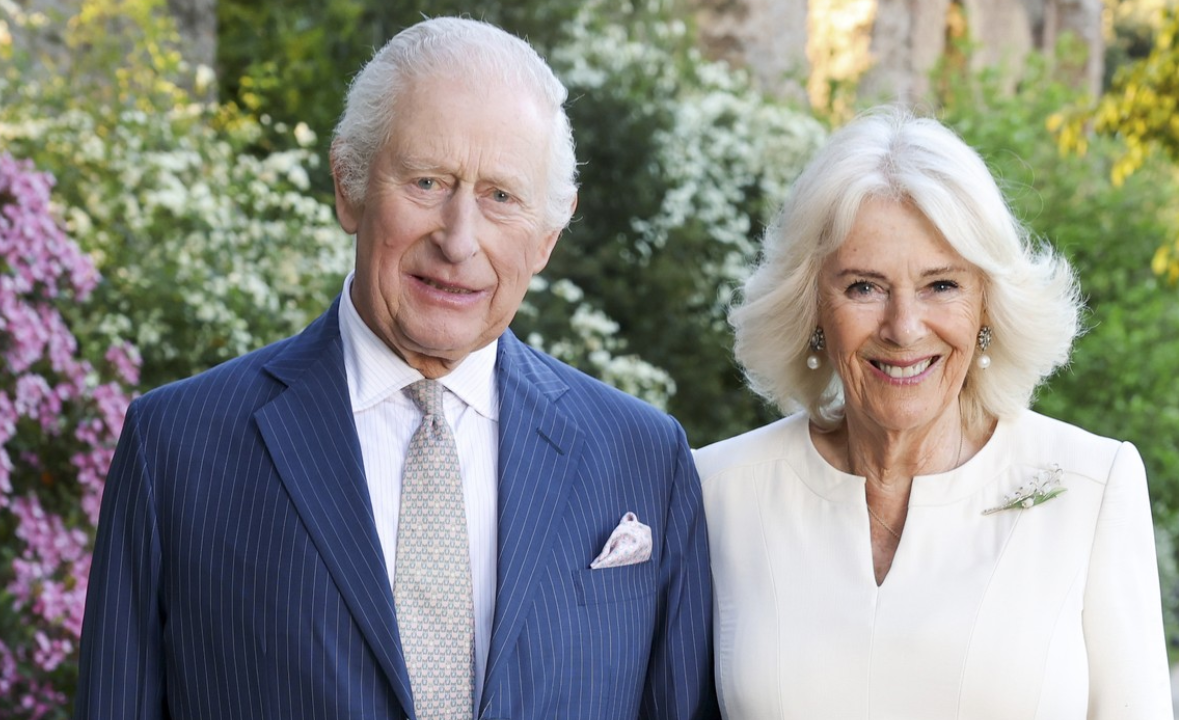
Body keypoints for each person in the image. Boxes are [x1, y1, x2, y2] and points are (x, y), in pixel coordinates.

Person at [75, 17, 717, 720]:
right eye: (427, 181)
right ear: (348, 186)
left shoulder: (644, 459)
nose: (459, 239)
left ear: (547, 238)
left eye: (501, 197)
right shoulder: (175, 446)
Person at [694, 107, 1173, 719]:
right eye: (864, 287)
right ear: (812, 308)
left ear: (987, 306)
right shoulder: (717, 492)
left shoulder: (1090, 487)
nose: (904, 327)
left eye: (941, 285)